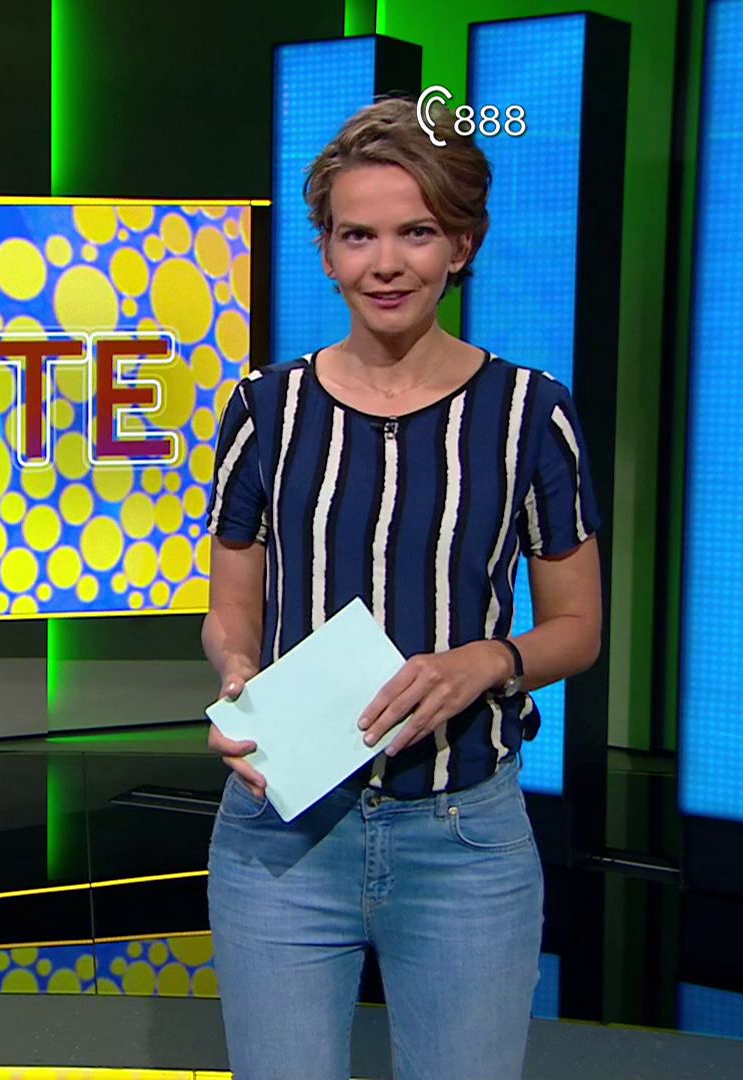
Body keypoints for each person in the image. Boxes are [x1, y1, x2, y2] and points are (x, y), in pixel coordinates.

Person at [199, 96, 605, 1080]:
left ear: (461, 246)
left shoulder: (531, 414)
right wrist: (240, 679)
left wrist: (486, 663)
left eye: (416, 233)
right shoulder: (264, 409)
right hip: (280, 836)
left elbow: (578, 628)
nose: (386, 263)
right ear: (326, 252)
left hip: (464, 839)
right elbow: (232, 607)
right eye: (359, 236)